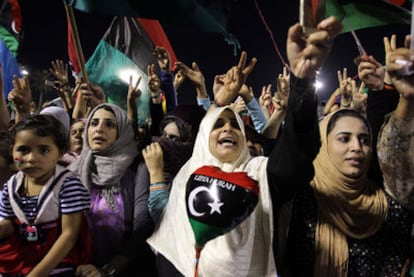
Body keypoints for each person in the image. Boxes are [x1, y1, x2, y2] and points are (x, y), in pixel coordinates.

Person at [145, 16, 343, 276]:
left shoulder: (261, 175)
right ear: (204, 137)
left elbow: (297, 154)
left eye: (234, 125)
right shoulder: (186, 176)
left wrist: (301, 82)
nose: (227, 128)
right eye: (218, 125)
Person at [280, 34, 414, 277]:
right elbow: (289, 151)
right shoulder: (301, 200)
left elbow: (395, 152)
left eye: (364, 140)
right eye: (344, 139)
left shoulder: (388, 207)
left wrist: (402, 96)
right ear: (322, 145)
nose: (357, 147)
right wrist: (302, 79)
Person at [70, 103, 156, 276]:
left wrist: (108, 270)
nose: (99, 129)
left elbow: (142, 225)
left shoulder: (136, 170)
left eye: (109, 124)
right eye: (94, 123)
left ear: (121, 133)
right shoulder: (71, 172)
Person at [0, 114, 91, 276]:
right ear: (12, 150)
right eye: (23, 149)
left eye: (43, 150)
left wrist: (37, 274)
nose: (32, 158)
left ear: (61, 152)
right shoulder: (11, 185)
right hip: (23, 257)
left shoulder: (68, 185)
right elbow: (8, 223)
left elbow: (69, 235)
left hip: (57, 261)